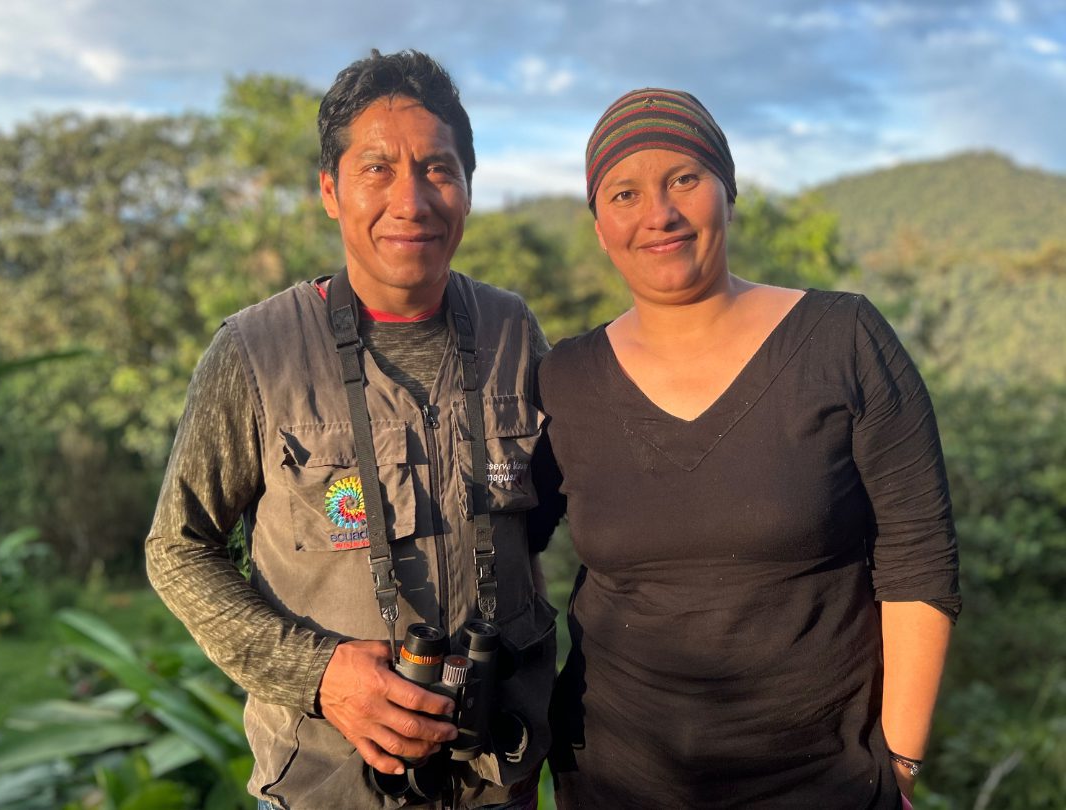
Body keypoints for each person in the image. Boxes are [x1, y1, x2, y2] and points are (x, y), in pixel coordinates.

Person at [146, 49, 562, 810]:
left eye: (438, 169)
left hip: (500, 779)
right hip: (325, 785)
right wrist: (320, 675)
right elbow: (177, 549)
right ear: (331, 191)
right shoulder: (255, 351)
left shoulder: (513, 332)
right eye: (377, 170)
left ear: (469, 187)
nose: (411, 201)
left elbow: (542, 520)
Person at [541, 88, 960, 809]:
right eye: (624, 193)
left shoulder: (842, 339)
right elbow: (498, 537)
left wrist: (900, 764)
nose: (659, 214)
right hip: (615, 779)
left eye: (684, 179)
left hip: (822, 782)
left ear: (727, 193)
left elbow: (919, 554)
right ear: (601, 228)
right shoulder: (567, 378)